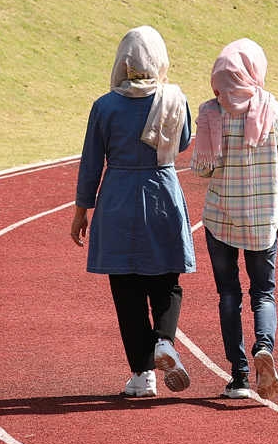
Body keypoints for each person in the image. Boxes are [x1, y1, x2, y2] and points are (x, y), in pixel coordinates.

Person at [71, 25, 195, 399]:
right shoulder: (175, 98)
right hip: (162, 192)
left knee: (126, 288)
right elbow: (184, 141)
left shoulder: (104, 106)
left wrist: (81, 211)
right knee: (167, 279)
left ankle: (142, 376)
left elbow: (92, 162)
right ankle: (165, 342)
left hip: (119, 197)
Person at [190, 38, 278, 400]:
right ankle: (263, 348)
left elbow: (200, 169)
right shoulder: (272, 108)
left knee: (228, 295)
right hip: (263, 216)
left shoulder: (209, 112)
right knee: (263, 293)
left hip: (221, 217)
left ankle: (238, 377)